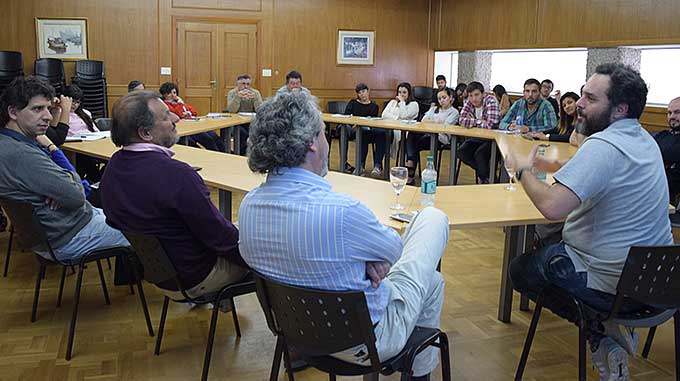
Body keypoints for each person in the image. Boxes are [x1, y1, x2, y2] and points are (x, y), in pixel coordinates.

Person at [239, 92, 449, 381]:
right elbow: (395, 252)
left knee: (433, 282)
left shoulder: (248, 206)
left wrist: (359, 263)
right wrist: (369, 262)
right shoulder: (342, 213)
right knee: (432, 218)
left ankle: (419, 373)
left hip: (298, 334)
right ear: (312, 143)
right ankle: (418, 374)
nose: (328, 143)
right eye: (325, 133)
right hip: (366, 344)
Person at [506, 63, 673, 380]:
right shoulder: (645, 141)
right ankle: (607, 326)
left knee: (521, 270)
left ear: (619, 109)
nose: (579, 103)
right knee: (552, 241)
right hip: (659, 283)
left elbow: (552, 207)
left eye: (590, 98)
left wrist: (521, 168)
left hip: (614, 286)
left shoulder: (604, 147)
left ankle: (601, 333)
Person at [100, 90, 249, 300]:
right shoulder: (176, 175)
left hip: (163, 276)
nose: (175, 118)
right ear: (145, 133)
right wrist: (258, 257)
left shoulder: (113, 166)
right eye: (166, 116)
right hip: (197, 277)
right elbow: (220, 237)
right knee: (261, 238)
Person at [0, 76, 128, 263]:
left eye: (48, 109)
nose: (49, 117)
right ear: (13, 112)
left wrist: (62, 186)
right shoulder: (21, 154)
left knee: (130, 215)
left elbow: (71, 193)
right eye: (37, 109)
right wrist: (66, 179)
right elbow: (77, 196)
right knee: (149, 231)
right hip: (69, 236)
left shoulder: (11, 142)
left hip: (62, 228)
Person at [406, 87, 459, 184]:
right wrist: (437, 122)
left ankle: (410, 170)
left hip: (441, 138)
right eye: (439, 99)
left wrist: (432, 122)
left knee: (415, 144)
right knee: (411, 134)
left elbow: (446, 126)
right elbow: (423, 120)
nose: (441, 100)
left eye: (444, 97)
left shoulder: (454, 112)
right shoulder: (434, 109)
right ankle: (410, 161)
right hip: (427, 134)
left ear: (450, 97)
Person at [456, 81, 502, 184]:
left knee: (480, 154)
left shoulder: (490, 100)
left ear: (483, 94)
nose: (473, 99)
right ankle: (488, 176)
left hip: (494, 139)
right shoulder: (469, 101)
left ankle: (486, 178)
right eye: (471, 95)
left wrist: (472, 122)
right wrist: (479, 122)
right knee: (461, 152)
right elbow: (461, 120)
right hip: (479, 137)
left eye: (476, 95)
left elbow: (491, 124)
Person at [159, 82, 225, 152]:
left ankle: (225, 152)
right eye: (169, 93)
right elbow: (178, 115)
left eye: (174, 93)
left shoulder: (179, 103)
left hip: (194, 124)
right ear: (164, 94)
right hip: (185, 128)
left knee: (214, 136)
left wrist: (182, 105)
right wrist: (179, 104)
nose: (172, 95)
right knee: (208, 140)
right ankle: (217, 155)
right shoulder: (165, 105)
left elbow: (194, 112)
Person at [337, 83, 381, 176]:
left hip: (365, 130)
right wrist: (353, 123)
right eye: (359, 93)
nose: (362, 94)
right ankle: (344, 163)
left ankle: (360, 166)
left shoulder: (374, 106)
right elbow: (347, 116)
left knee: (363, 131)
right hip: (351, 129)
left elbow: (372, 122)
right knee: (343, 129)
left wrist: (358, 124)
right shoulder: (353, 103)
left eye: (363, 91)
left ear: (368, 91)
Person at [63, 85, 104, 183]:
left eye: (77, 102)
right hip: (76, 147)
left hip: (92, 143)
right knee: (85, 159)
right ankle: (97, 180)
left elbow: (95, 130)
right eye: (72, 101)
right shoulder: (61, 114)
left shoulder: (85, 113)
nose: (74, 105)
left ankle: (100, 179)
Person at [653, 96, 680, 226]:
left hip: (669, 196)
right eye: (669, 113)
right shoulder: (662, 135)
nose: (672, 116)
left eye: (677, 112)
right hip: (653, 189)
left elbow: (668, 153)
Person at [226, 74, 263, 154]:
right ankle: (241, 152)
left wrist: (255, 100)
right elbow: (231, 110)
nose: (246, 87)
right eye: (243, 84)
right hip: (236, 122)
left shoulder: (255, 93)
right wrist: (237, 98)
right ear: (238, 84)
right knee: (242, 133)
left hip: (251, 121)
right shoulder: (232, 93)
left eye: (248, 84)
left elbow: (260, 110)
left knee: (256, 130)